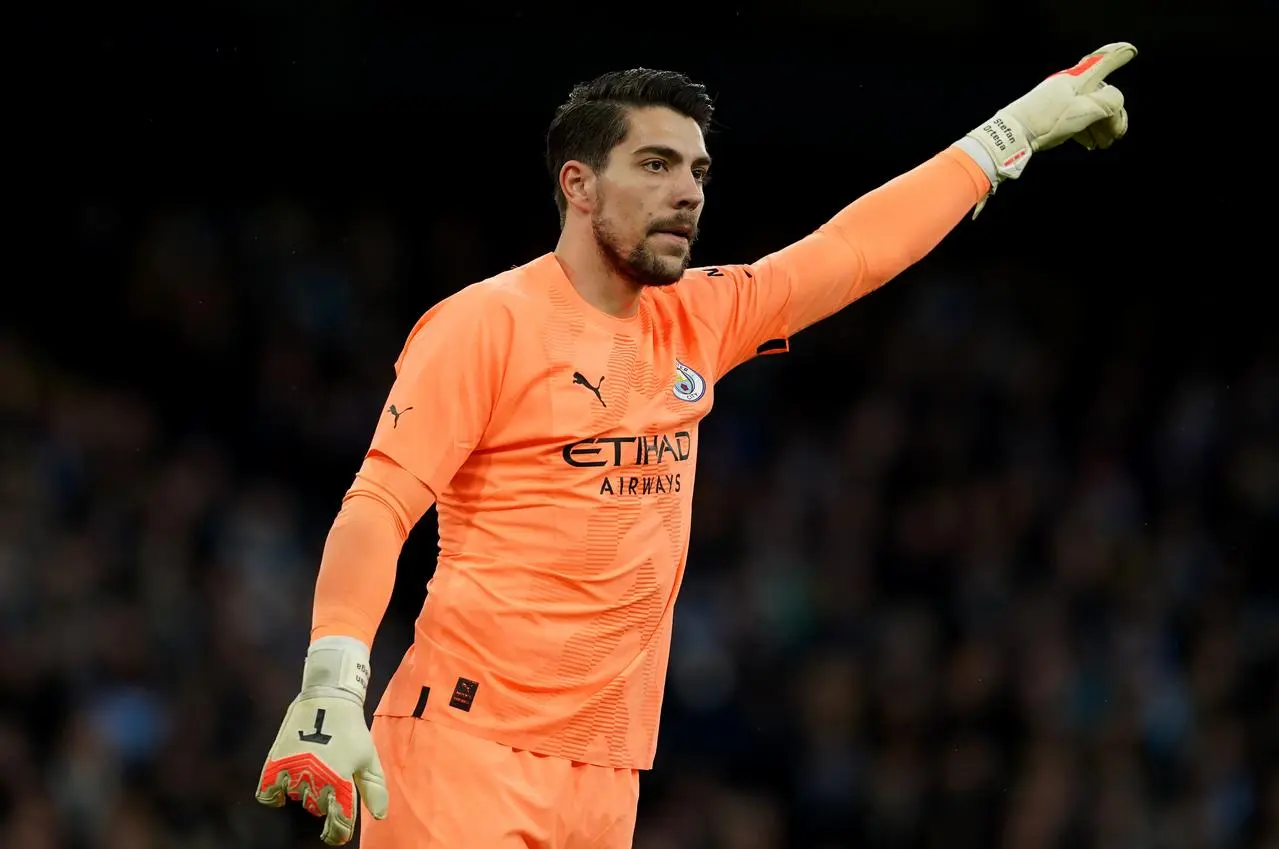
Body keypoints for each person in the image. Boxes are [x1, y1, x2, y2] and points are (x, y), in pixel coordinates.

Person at [255, 43, 1136, 848]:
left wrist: (1004, 137)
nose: (689, 191)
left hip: (607, 773)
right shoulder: (484, 324)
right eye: (655, 164)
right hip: (465, 753)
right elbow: (379, 502)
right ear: (579, 184)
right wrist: (334, 673)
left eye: (698, 171)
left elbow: (853, 250)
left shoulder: (696, 319)